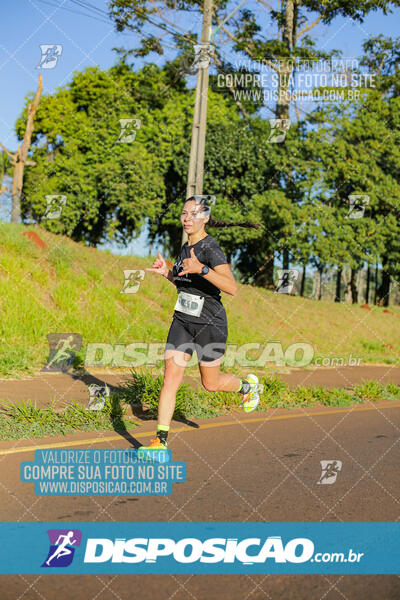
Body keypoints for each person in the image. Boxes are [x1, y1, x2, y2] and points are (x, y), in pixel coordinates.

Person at [139, 196, 260, 451]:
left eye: (193, 214)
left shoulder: (210, 249)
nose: (187, 218)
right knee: (170, 377)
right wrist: (168, 274)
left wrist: (202, 269)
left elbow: (232, 288)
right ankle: (159, 442)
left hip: (210, 323)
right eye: (184, 213)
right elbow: (187, 287)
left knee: (210, 384)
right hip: (183, 321)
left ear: (205, 218)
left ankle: (247, 387)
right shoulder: (185, 248)